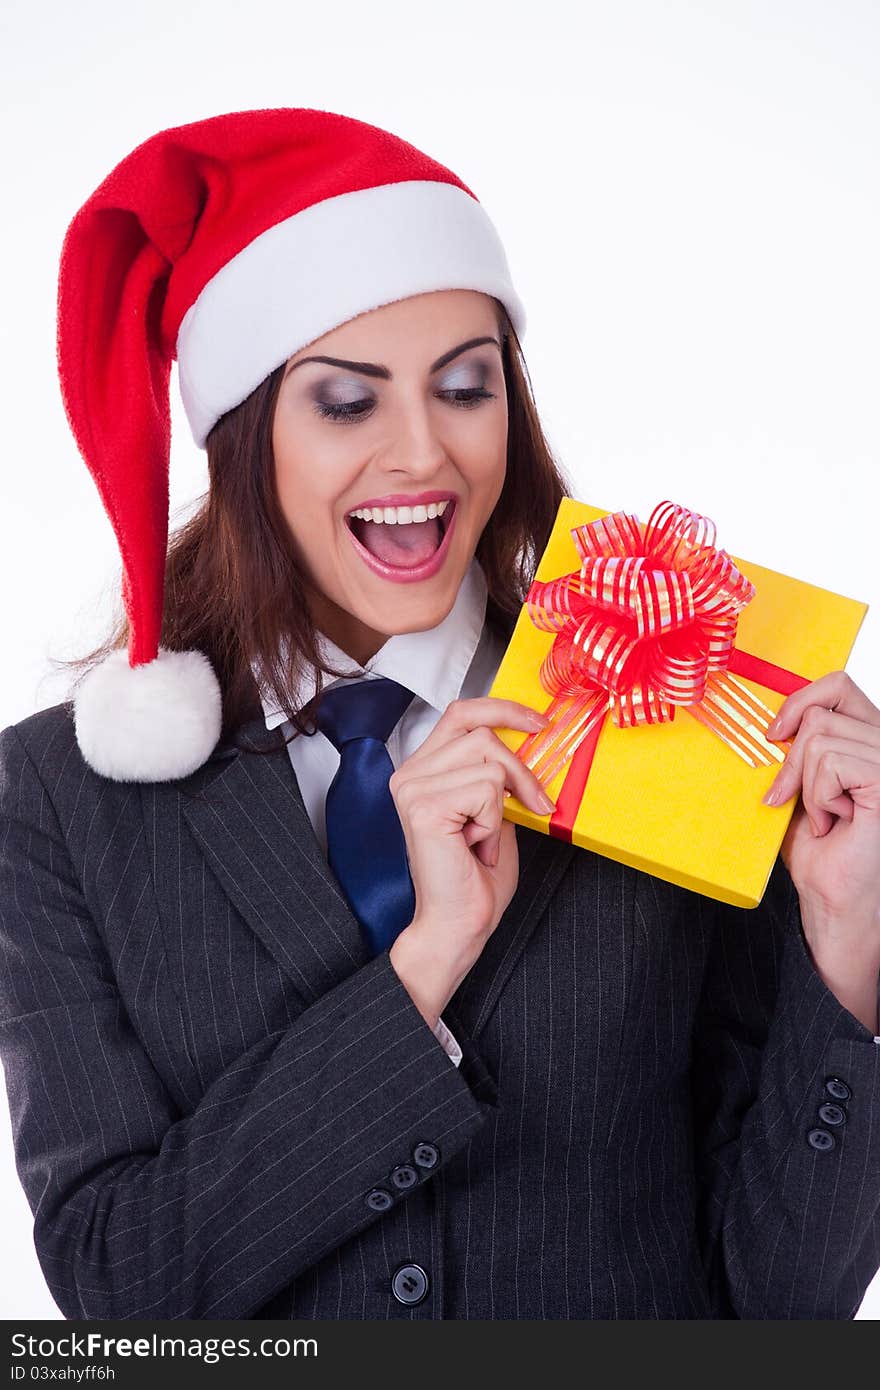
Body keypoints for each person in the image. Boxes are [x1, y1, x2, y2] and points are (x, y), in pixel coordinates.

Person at [1, 107, 879, 1323]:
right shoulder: (59, 797)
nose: (423, 453)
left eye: (465, 388)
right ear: (243, 434)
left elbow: (775, 1306)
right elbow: (120, 1287)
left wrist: (848, 951)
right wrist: (425, 966)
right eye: (347, 403)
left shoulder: (670, 707)